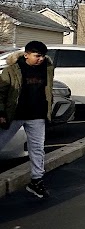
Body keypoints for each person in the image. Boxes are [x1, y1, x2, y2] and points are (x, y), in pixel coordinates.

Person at [0, 41, 54, 198]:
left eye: (43, 56)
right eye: (37, 56)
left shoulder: (47, 69)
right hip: (14, 115)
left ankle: (36, 181)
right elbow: (1, 93)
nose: (41, 59)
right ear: (26, 55)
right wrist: (1, 113)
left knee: (37, 148)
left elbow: (47, 90)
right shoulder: (12, 70)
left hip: (37, 115)